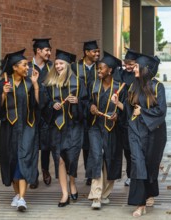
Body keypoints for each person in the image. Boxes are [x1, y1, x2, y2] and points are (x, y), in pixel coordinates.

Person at [0, 49, 44, 211]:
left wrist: (35, 85)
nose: (28, 67)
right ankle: (18, 195)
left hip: (27, 128)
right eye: (24, 65)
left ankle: (22, 199)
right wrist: (3, 96)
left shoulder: (29, 83)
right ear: (14, 67)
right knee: (11, 161)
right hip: (9, 130)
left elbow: (38, 106)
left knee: (23, 160)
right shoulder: (2, 84)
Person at [111, 54, 167, 217]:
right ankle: (140, 203)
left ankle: (150, 193)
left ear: (145, 69)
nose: (133, 68)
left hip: (153, 134)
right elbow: (129, 111)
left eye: (136, 67)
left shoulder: (158, 87)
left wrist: (143, 111)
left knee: (150, 165)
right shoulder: (133, 86)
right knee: (138, 165)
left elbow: (161, 111)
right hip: (135, 131)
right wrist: (118, 103)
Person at [43, 49, 87, 207]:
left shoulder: (79, 82)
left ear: (68, 65)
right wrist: (51, 105)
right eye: (56, 64)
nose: (58, 66)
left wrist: (77, 103)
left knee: (72, 158)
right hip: (57, 126)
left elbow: (86, 104)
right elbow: (44, 103)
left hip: (74, 125)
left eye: (61, 63)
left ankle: (73, 183)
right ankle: (64, 193)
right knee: (59, 159)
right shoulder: (49, 83)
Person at [86, 51, 126, 209]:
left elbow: (126, 109)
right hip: (96, 126)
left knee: (111, 159)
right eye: (97, 68)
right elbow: (86, 101)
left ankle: (105, 194)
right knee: (96, 157)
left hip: (113, 128)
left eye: (101, 68)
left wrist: (118, 115)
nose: (98, 71)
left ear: (110, 70)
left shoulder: (120, 88)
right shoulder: (93, 85)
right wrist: (91, 106)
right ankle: (96, 196)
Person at [71, 40, 100, 186]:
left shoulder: (100, 67)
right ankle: (73, 175)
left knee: (91, 144)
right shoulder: (75, 67)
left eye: (97, 51)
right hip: (79, 109)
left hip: (94, 109)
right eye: (94, 51)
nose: (97, 54)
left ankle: (90, 173)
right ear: (86, 52)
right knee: (82, 143)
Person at [28, 38, 53, 189]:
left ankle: (45, 169)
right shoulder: (27, 67)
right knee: (31, 144)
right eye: (47, 50)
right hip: (30, 112)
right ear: (38, 50)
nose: (49, 53)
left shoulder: (51, 67)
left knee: (45, 145)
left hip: (47, 113)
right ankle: (33, 174)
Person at [119, 48, 141, 186]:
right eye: (126, 63)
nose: (128, 67)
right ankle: (129, 175)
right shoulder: (119, 74)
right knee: (127, 150)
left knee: (135, 149)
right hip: (122, 116)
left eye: (131, 64)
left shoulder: (139, 76)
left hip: (135, 116)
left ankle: (136, 175)